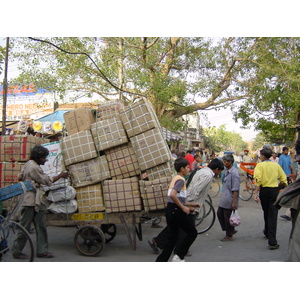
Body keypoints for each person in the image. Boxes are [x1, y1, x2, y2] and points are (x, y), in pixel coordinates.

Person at [149, 158, 224, 255]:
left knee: (178, 225)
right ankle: (179, 249)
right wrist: (189, 205)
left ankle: (159, 241)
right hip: (191, 202)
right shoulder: (208, 175)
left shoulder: (202, 171)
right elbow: (195, 190)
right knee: (187, 229)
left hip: (188, 201)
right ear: (217, 169)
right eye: (220, 171)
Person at [12, 145, 69, 259]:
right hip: (29, 201)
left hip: (37, 199)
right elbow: (47, 180)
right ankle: (17, 251)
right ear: (38, 157)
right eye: (43, 157)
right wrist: (61, 175)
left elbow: (20, 176)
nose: (45, 160)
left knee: (41, 225)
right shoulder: (34, 167)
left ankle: (42, 250)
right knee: (25, 226)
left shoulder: (29, 164)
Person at [155, 158, 200, 262]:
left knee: (172, 239)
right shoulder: (181, 180)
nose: (189, 169)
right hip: (176, 211)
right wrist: (183, 207)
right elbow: (173, 195)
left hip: (171, 209)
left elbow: (176, 198)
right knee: (192, 232)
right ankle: (179, 255)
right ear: (182, 168)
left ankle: (161, 261)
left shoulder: (175, 178)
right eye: (187, 167)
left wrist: (192, 204)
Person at [253, 147, 287, 250]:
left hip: (264, 191)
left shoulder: (260, 166)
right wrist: (278, 188)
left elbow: (258, 180)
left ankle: (268, 232)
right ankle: (272, 240)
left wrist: (256, 193)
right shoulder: (276, 166)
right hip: (274, 191)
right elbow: (284, 180)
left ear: (263, 156)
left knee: (266, 211)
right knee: (273, 214)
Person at [217, 154, 240, 241]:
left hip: (230, 198)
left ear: (230, 162)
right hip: (225, 197)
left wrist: (234, 201)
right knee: (220, 213)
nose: (224, 163)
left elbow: (235, 188)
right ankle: (230, 230)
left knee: (227, 217)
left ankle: (229, 234)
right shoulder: (227, 171)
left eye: (226, 162)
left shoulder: (234, 173)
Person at [278, 147, 295, 221]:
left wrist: (293, 171)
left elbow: (290, 165)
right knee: (283, 186)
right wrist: (281, 174)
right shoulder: (281, 157)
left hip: (289, 174)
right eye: (285, 151)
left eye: (287, 151)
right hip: (284, 174)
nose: (287, 152)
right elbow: (280, 166)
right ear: (283, 151)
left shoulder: (288, 157)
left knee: (287, 186)